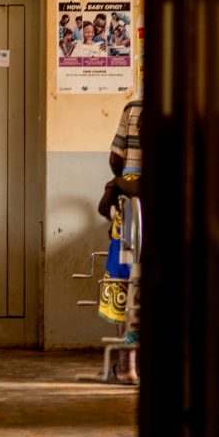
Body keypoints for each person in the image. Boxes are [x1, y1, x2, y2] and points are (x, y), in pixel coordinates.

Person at [97, 98, 143, 383]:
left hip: (133, 203)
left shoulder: (134, 108)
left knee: (124, 277)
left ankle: (127, 367)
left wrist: (120, 181)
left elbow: (116, 160)